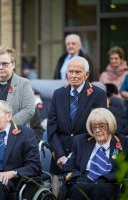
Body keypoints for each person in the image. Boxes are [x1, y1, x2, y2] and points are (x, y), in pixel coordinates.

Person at [47, 56, 107, 195]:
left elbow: (99, 129)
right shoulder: (58, 94)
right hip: (60, 157)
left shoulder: (98, 94)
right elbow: (52, 129)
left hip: (85, 156)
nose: (73, 75)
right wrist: (60, 155)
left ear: (86, 74)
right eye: (70, 71)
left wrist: (76, 155)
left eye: (77, 72)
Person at [58, 108, 128, 200]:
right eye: (94, 127)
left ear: (110, 125)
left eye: (102, 126)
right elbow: (68, 167)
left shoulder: (125, 143)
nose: (97, 130)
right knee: (77, 188)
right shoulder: (80, 142)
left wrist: (107, 178)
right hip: (83, 184)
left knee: (99, 189)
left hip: (109, 184)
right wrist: (78, 177)